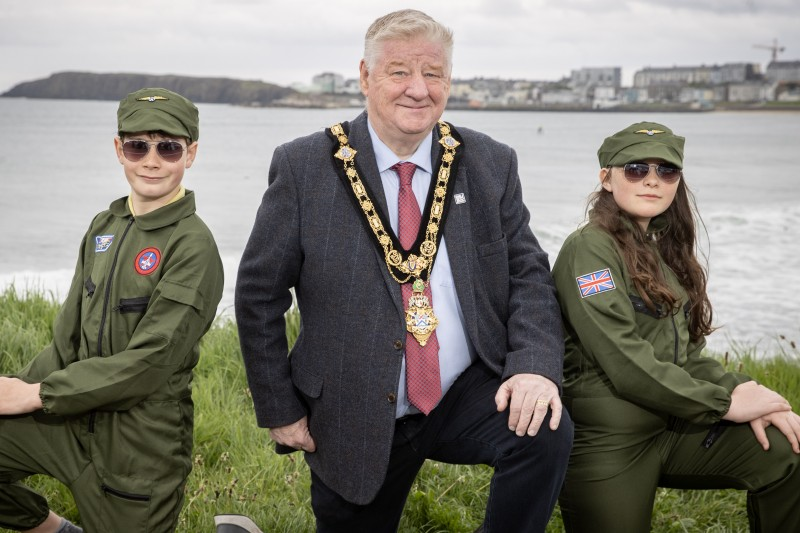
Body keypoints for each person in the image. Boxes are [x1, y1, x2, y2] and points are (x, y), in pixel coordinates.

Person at [235, 9, 573, 532]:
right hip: (353, 402)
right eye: (399, 71)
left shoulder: (489, 161)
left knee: (544, 432)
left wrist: (533, 364)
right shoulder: (305, 166)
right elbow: (259, 295)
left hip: (462, 385)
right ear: (366, 77)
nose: (418, 89)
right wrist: (279, 406)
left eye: (433, 73)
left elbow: (528, 271)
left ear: (449, 81)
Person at [553, 121, 800, 532]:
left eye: (666, 171)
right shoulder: (589, 248)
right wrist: (723, 405)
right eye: (636, 169)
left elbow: (685, 355)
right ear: (606, 178)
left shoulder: (659, 251)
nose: (652, 181)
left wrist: (737, 386)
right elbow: (624, 359)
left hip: (673, 426)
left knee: (788, 452)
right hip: (610, 438)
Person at [0, 88, 224, 532]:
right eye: (138, 145)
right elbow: (67, 340)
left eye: (169, 147)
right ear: (119, 149)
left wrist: (40, 394)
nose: (152, 160)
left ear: (191, 153)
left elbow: (150, 363)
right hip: (68, 421)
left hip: (138, 442)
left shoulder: (193, 246)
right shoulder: (104, 226)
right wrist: (17, 391)